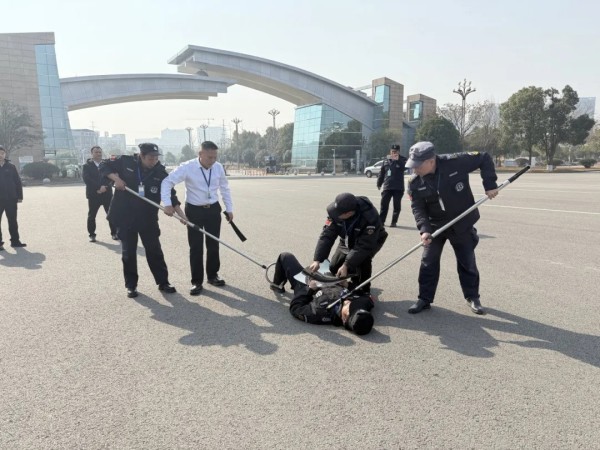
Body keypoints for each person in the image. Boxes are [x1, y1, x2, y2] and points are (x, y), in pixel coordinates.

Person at [405, 141, 499, 315]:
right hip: (435, 226)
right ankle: (424, 299)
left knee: (467, 262)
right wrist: (424, 229)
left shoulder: (455, 162)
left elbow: (484, 158)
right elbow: (418, 208)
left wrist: (490, 184)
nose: (415, 169)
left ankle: (473, 297)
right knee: (428, 262)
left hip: (461, 221)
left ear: (431, 161)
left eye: (418, 165)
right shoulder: (414, 182)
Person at [100, 143, 184, 298]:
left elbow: (171, 194)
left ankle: (163, 282)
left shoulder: (160, 172)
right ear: (141, 156)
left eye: (156, 157)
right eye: (151, 158)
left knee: (154, 250)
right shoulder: (126, 162)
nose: (154, 161)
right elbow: (104, 165)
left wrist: (180, 214)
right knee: (129, 253)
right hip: (125, 216)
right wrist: (116, 179)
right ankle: (131, 286)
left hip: (148, 217)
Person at [161, 141, 233, 296]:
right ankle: (196, 282)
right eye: (209, 157)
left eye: (215, 157)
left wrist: (229, 208)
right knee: (196, 247)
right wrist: (167, 204)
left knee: (214, 244)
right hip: (194, 211)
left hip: (213, 209)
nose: (212, 161)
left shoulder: (218, 167)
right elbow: (167, 182)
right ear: (200, 154)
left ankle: (213, 276)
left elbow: (224, 188)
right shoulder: (187, 167)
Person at [270, 252, 375, 335]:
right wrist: (347, 285)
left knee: (285, 256)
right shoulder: (362, 307)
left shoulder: (321, 313)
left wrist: (309, 289)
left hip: (307, 285)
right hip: (331, 280)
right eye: (354, 306)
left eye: (350, 309)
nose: (350, 303)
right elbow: (366, 297)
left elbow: (296, 309)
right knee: (347, 257)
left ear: (344, 319)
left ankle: (277, 285)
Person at [309, 193, 387, 294]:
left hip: (370, 241)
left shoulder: (370, 218)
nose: (335, 214)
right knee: (334, 268)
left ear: (349, 213)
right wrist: (317, 260)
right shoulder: (335, 212)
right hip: (347, 237)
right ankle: (345, 282)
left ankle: (363, 289)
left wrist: (347, 264)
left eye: (339, 213)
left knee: (362, 263)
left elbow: (363, 247)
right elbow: (327, 236)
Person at [82, 145, 118, 242]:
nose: (98, 154)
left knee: (111, 214)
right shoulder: (86, 166)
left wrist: (105, 187)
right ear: (92, 154)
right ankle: (92, 235)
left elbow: (113, 177)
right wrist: (98, 187)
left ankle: (114, 233)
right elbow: (87, 179)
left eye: (100, 152)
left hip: (107, 194)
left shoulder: (107, 164)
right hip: (94, 194)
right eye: (96, 152)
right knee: (92, 216)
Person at [0, 145, 26, 250]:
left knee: (13, 221)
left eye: (2, 153)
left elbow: (17, 182)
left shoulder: (11, 166)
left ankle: (15, 241)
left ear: (5, 154)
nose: (0, 155)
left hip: (11, 199)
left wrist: (20, 196)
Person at [377, 144, 408, 227]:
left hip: (398, 187)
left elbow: (405, 167)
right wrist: (379, 183)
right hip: (387, 186)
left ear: (398, 152)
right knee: (384, 205)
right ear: (390, 151)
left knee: (396, 206)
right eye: (392, 151)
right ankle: (381, 221)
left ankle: (394, 222)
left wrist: (397, 160)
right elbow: (382, 173)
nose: (394, 153)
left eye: (395, 151)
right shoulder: (386, 160)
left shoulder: (403, 159)